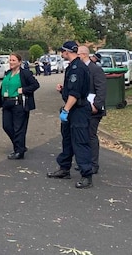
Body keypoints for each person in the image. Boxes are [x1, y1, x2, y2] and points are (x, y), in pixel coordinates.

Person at [47, 41, 94, 188]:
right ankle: (64, 168)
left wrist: (66, 110)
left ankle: (86, 175)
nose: (62, 54)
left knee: (80, 141)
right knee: (67, 139)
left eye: (63, 51)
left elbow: (75, 93)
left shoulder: (77, 69)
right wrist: (63, 90)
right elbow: (71, 89)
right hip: (72, 108)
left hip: (78, 109)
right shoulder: (73, 67)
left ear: (67, 52)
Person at [0, 53, 40, 160]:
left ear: (19, 62)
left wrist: (24, 90)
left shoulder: (25, 73)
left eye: (13, 60)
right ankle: (20, 145)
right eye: (10, 60)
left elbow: (35, 85)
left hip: (19, 104)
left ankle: (19, 151)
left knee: (19, 128)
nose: (11, 62)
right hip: (7, 103)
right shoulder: (8, 73)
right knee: (6, 126)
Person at [81, 48, 107, 175]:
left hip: (93, 109)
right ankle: (85, 162)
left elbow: (101, 88)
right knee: (83, 135)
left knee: (91, 135)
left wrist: (96, 105)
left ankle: (93, 164)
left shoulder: (95, 69)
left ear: (84, 54)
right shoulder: (80, 69)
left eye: (78, 54)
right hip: (82, 108)